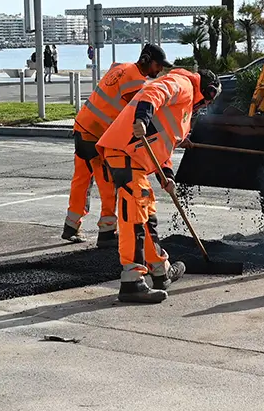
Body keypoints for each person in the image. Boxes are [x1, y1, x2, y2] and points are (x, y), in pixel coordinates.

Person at [94, 65, 219, 304]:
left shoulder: (183, 112)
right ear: (207, 91)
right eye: (207, 102)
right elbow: (152, 93)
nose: (204, 107)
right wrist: (141, 118)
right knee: (134, 216)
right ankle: (132, 281)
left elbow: (163, 146)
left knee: (147, 215)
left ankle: (161, 271)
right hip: (125, 152)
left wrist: (167, 176)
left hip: (137, 159)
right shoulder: (183, 84)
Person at [64, 44, 169, 245]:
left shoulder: (121, 68)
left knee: (81, 179)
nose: (159, 71)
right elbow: (135, 115)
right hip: (96, 135)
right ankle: (107, 232)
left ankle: (71, 225)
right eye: (158, 65)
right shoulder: (135, 82)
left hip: (82, 127)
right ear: (146, 60)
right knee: (108, 183)